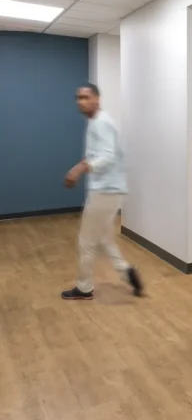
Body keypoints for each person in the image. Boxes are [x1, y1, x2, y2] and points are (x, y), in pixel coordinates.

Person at [61, 83, 143, 300]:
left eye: (86, 97)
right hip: (111, 191)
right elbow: (99, 154)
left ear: (97, 99)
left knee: (86, 242)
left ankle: (84, 287)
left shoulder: (102, 123)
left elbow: (107, 156)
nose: (81, 102)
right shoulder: (97, 122)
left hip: (105, 191)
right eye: (78, 98)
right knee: (105, 239)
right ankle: (126, 272)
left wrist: (79, 169)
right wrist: (82, 165)